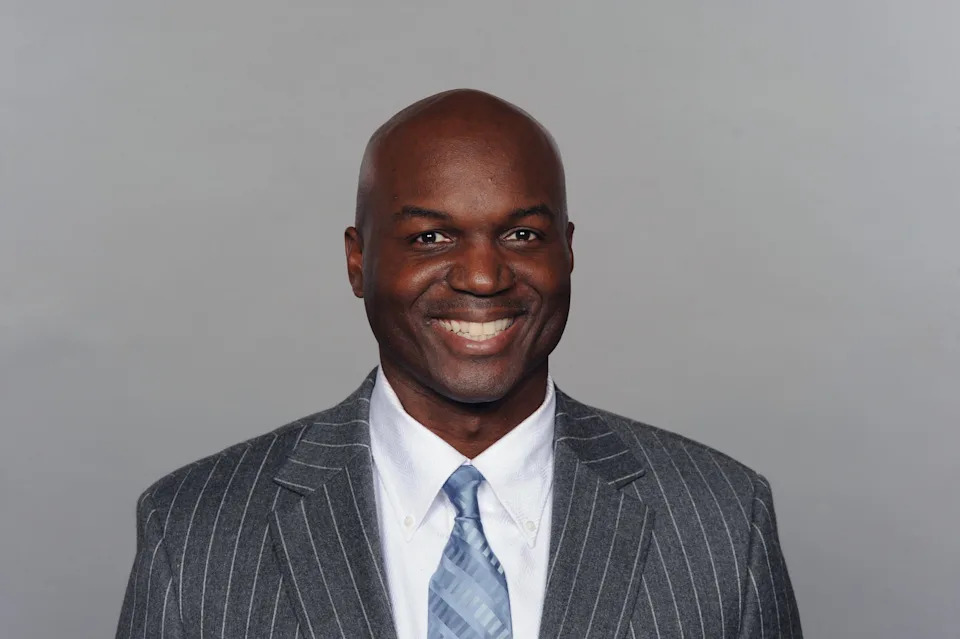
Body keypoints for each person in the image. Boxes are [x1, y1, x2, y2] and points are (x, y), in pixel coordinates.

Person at [116, 89, 801, 639]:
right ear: (359, 261)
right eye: (432, 236)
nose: (481, 275)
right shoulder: (198, 532)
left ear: (566, 251)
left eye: (521, 234)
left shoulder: (717, 522)